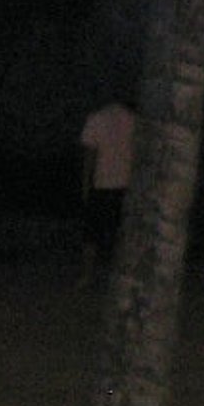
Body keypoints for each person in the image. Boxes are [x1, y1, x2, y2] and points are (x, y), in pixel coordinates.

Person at [77, 99, 136, 286]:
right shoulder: (133, 119)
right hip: (125, 184)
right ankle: (122, 276)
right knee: (122, 233)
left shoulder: (95, 118)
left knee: (91, 234)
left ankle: (88, 276)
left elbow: (89, 156)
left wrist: (86, 185)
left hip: (101, 184)